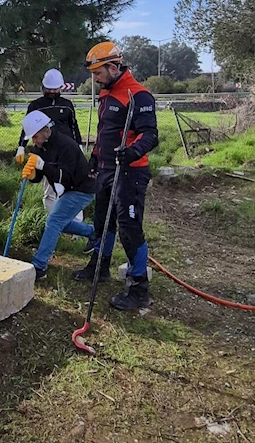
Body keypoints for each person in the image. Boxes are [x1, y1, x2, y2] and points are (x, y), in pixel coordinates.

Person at [72, 42, 159, 312]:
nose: (95, 79)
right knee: (103, 222)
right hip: (107, 170)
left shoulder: (139, 96)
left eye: (98, 73)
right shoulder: (107, 95)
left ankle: (139, 288)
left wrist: (132, 152)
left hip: (130, 172)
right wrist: (96, 157)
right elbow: (104, 132)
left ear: (113, 67)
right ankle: (99, 266)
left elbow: (151, 135)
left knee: (129, 230)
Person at [20, 111, 96, 280]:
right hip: (68, 189)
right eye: (32, 138)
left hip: (82, 188)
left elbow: (65, 176)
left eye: (36, 136)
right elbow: (41, 176)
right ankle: (94, 233)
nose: (34, 141)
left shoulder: (66, 145)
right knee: (58, 221)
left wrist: (43, 165)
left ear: (45, 131)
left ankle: (39, 265)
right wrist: (33, 174)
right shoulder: (39, 148)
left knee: (54, 221)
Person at [15, 69, 88, 228]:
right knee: (50, 190)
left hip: (68, 152)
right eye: (49, 89)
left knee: (72, 188)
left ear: (60, 88)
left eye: (55, 89)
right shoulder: (36, 106)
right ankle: (55, 223)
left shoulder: (67, 105)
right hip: (46, 152)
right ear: (43, 87)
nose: (52, 92)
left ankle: (77, 227)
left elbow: (74, 126)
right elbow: (27, 128)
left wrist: (79, 145)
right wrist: (21, 147)